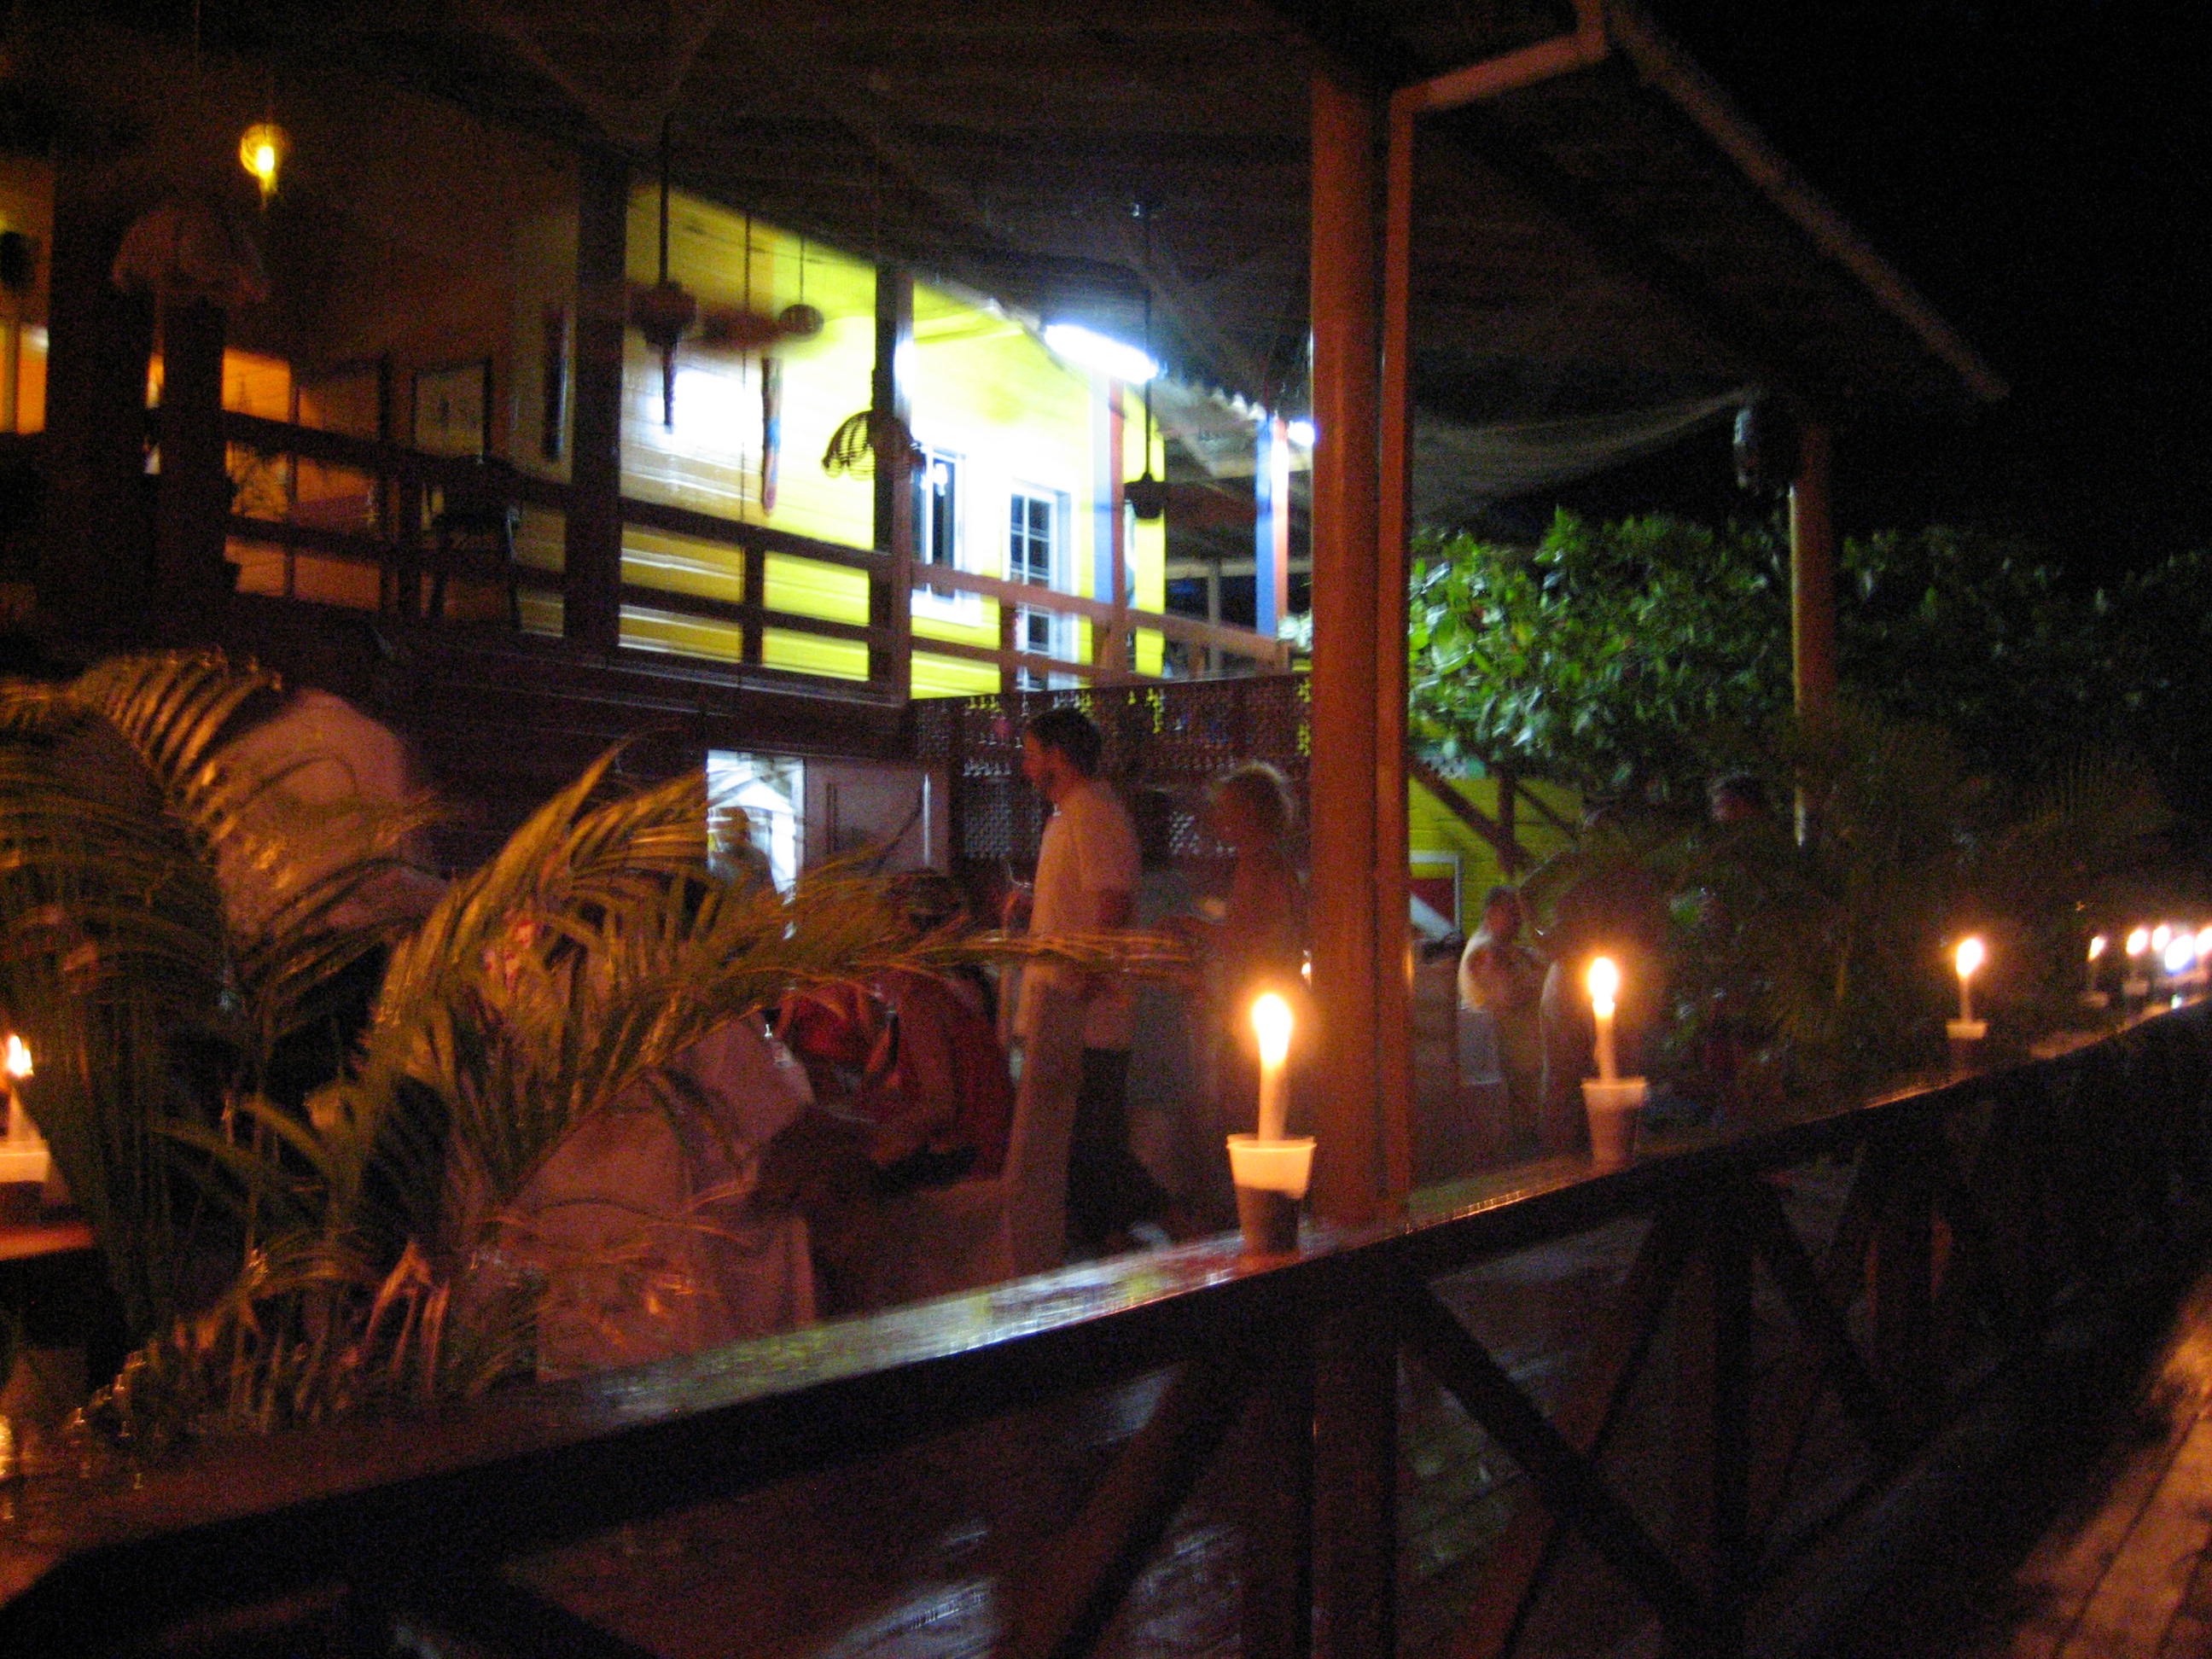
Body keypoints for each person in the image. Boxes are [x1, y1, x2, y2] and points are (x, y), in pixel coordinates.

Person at [1010, 707, 1177, 1254]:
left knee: (1091, 1142)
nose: (1026, 767)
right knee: (1082, 1143)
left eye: (1031, 755)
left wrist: (1082, 985)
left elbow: (1113, 904)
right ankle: (1117, 1240)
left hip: (1085, 1015)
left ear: (1058, 757)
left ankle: (1161, 1227)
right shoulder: (1071, 815)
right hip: (1067, 1008)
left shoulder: (1094, 812)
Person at [1457, 884, 1545, 1153]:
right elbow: (1507, 997)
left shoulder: (1509, 950)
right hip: (1516, 1055)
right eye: (1512, 912)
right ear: (1491, 914)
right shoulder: (1486, 953)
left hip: (1527, 1052)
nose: (1519, 920)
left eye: (1520, 913)